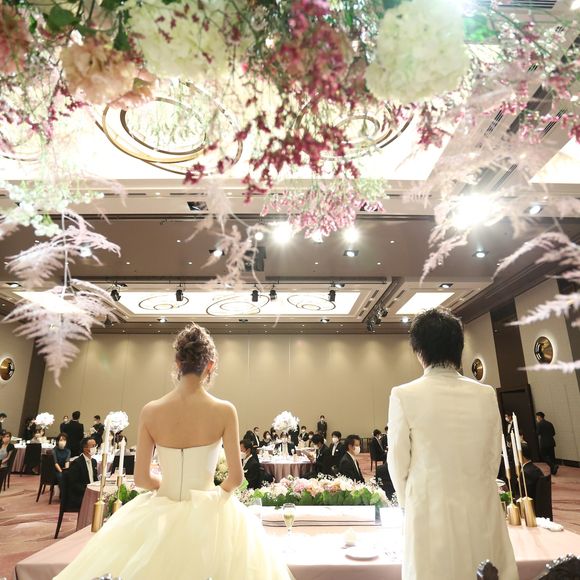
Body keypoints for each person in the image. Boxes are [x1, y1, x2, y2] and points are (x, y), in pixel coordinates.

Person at [55, 323, 291, 580]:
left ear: (177, 362)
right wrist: (210, 496)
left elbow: (142, 479)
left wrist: (165, 486)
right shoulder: (225, 411)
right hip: (210, 513)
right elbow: (235, 478)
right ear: (210, 365)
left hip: (160, 508)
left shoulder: (150, 411)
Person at [387, 308, 517, 580]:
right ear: (459, 348)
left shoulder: (404, 395)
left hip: (429, 511)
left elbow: (397, 464)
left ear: (419, 351)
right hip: (482, 507)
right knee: (486, 570)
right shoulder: (485, 394)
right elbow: (493, 456)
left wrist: (408, 504)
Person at [66, 437, 97, 510]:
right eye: (93, 446)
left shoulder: (94, 462)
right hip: (80, 495)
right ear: (85, 448)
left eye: (95, 445)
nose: (95, 448)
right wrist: (88, 490)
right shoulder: (77, 463)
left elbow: (94, 479)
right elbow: (73, 484)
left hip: (91, 492)